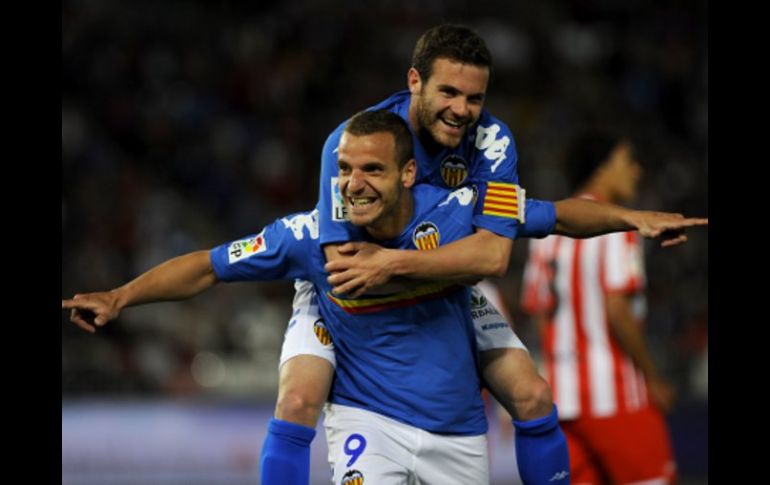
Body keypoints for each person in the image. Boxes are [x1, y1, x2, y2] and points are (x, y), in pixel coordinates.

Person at [271, 23, 707, 485]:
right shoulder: (352, 142)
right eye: (449, 93)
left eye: (474, 99)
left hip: (439, 285)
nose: (462, 110)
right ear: (414, 81)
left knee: (532, 394)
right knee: (298, 401)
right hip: (348, 298)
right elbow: (346, 268)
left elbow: (501, 250)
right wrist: (441, 260)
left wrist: (631, 218)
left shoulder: (492, 143)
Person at [64, 111, 544, 483]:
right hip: (348, 356)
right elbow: (208, 266)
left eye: (373, 169)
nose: (354, 184)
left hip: (445, 372)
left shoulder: (456, 211)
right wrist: (120, 296)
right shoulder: (308, 236)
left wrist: (620, 217)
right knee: (296, 400)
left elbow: (552, 216)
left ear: (408, 173)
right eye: (345, 169)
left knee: (532, 394)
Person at [521, 130, 686, 484]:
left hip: (561, 399)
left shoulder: (546, 230)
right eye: (627, 161)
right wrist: (653, 378)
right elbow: (617, 310)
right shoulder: (619, 224)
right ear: (602, 167)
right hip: (614, 395)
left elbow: (538, 313)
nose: (636, 171)